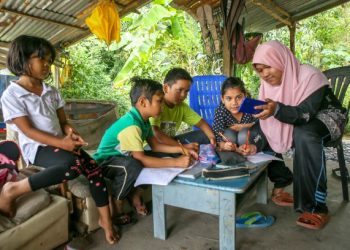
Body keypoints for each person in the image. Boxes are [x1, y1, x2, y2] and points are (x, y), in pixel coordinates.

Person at [0, 35, 118, 244]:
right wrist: (62, 143)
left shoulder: (51, 91)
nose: (47, 64)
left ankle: (105, 220)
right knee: (72, 166)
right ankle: (13, 190)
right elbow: (27, 131)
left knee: (93, 168)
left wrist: (70, 133)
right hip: (38, 148)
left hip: (60, 145)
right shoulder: (12, 94)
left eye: (49, 60)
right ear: (23, 59)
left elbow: (63, 122)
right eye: (40, 59)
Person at [252, 40, 346, 229]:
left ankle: (316, 207)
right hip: (298, 119)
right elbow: (272, 116)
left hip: (328, 116)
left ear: (279, 60)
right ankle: (281, 183)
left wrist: (277, 109)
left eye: (268, 67)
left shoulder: (310, 76)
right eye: (260, 70)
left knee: (305, 134)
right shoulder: (268, 87)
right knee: (260, 129)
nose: (265, 74)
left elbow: (305, 114)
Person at [93, 77, 197, 222]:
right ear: (143, 102)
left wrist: (180, 149)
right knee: (133, 165)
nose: (162, 106)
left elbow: (156, 146)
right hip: (105, 161)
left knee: (159, 155)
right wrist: (176, 162)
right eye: (159, 101)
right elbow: (140, 158)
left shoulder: (144, 120)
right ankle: (117, 203)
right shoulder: (132, 125)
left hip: (124, 157)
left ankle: (135, 194)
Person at [212, 76, 293, 205]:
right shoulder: (220, 111)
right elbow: (218, 133)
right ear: (222, 99)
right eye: (229, 98)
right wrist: (223, 144)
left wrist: (244, 127)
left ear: (245, 96)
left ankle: (279, 186)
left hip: (254, 140)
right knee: (229, 136)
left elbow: (263, 123)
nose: (234, 103)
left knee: (252, 137)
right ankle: (237, 183)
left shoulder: (252, 107)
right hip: (233, 146)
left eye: (238, 97)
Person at [149, 68, 216, 151]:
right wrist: (182, 147)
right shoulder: (156, 105)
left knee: (205, 135)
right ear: (166, 88)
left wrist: (212, 138)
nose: (183, 95)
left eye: (186, 91)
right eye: (179, 90)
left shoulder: (182, 107)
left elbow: (201, 124)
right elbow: (156, 133)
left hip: (172, 142)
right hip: (153, 146)